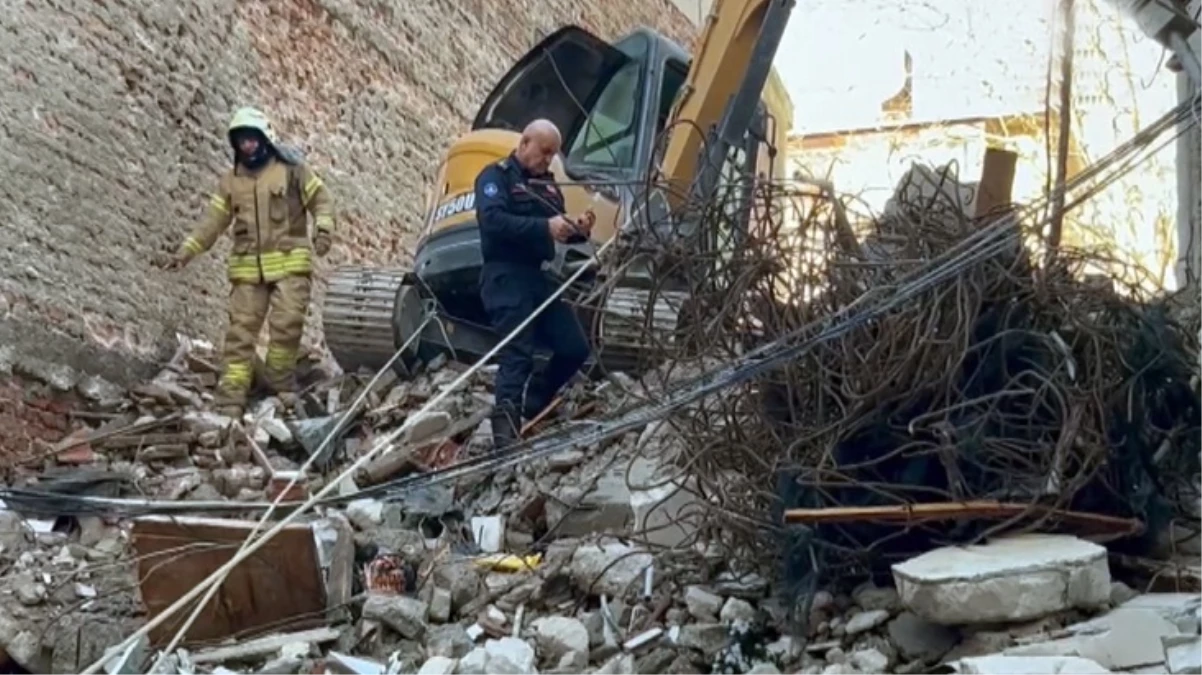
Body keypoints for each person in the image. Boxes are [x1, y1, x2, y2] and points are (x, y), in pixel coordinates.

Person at [168, 107, 335, 416]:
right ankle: (231, 398)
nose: (246, 146)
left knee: (286, 326)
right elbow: (212, 222)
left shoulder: (294, 170)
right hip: (247, 270)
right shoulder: (231, 182)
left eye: (251, 139)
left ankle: (280, 384)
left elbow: (321, 200)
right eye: (241, 141)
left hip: (289, 266)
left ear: (265, 138)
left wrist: (323, 229)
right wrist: (186, 251)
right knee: (240, 334)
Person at [474, 119, 595, 449]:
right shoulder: (495, 176)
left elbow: (556, 228)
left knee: (575, 347)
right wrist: (544, 226)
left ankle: (537, 399)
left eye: (553, 155)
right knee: (517, 353)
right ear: (524, 143)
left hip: (538, 276)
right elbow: (493, 221)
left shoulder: (549, 186)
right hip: (504, 274)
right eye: (543, 152)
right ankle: (505, 433)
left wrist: (577, 229)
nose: (547, 160)